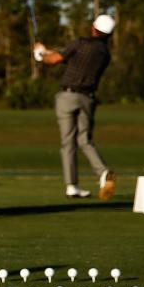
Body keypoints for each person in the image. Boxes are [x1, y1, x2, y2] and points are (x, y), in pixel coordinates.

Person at [33, 14, 117, 200]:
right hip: (88, 99)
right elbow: (67, 56)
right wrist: (46, 52)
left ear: (94, 28)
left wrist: (40, 56)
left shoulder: (80, 43)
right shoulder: (105, 53)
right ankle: (103, 172)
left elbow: (56, 59)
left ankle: (72, 185)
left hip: (67, 97)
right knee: (84, 140)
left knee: (67, 142)